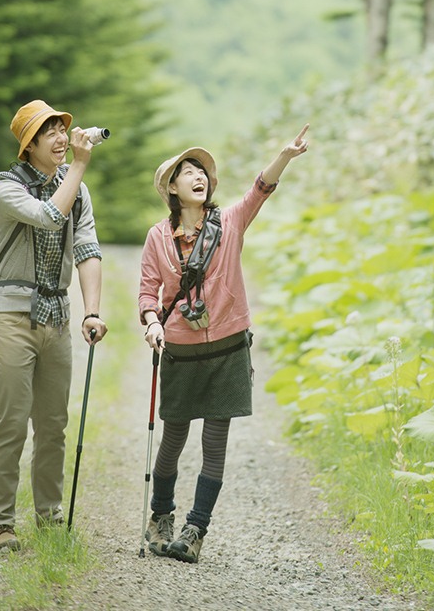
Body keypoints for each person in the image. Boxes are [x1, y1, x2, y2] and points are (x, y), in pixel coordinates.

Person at [138, 124, 310, 564]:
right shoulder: (159, 238)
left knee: (215, 443)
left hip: (229, 350)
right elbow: (147, 290)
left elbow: (261, 188)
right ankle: (161, 516)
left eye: (202, 171)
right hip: (179, 349)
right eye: (187, 171)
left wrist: (285, 155)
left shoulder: (229, 223)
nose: (198, 176)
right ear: (172, 188)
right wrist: (152, 322)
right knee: (173, 440)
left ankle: (195, 530)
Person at [0, 99, 108, 554]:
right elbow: (50, 214)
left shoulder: (79, 189)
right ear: (28, 145)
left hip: (57, 317)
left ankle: (49, 515)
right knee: (12, 421)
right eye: (49, 132)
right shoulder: (6, 190)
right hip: (10, 315)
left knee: (53, 424)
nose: (60, 137)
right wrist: (78, 163)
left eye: (63, 129)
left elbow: (88, 249)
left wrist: (92, 311)